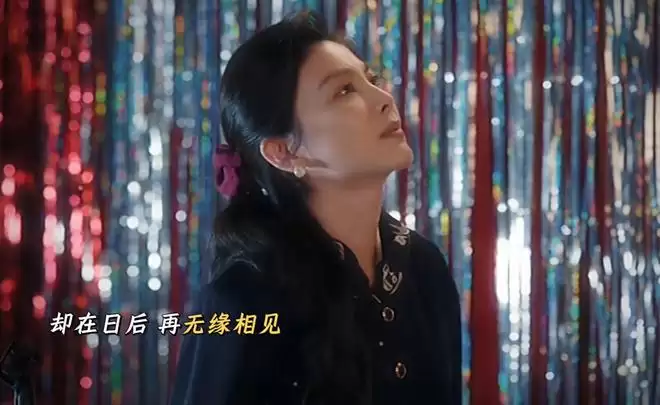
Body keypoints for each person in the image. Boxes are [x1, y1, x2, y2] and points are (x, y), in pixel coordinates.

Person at [170, 10, 462, 405]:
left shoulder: (423, 268)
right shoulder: (244, 302)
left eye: (371, 80)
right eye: (344, 91)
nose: (383, 100)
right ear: (284, 152)